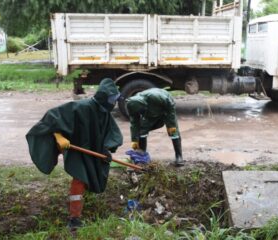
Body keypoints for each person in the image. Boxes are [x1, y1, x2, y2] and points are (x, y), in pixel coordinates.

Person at [26, 78, 123, 230]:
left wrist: (107, 148)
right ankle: (74, 218)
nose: (113, 103)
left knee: (96, 170)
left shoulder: (104, 113)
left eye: (115, 99)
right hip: (75, 148)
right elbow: (51, 118)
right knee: (79, 178)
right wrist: (59, 136)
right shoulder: (80, 107)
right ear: (103, 97)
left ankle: (86, 194)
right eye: (111, 99)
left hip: (93, 149)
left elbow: (111, 133)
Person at [126, 88, 184, 166]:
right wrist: (135, 145)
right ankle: (142, 156)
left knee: (172, 130)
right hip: (150, 113)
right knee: (142, 130)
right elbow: (134, 126)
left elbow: (169, 104)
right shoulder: (133, 106)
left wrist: (170, 121)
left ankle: (179, 156)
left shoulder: (155, 96)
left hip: (166, 107)